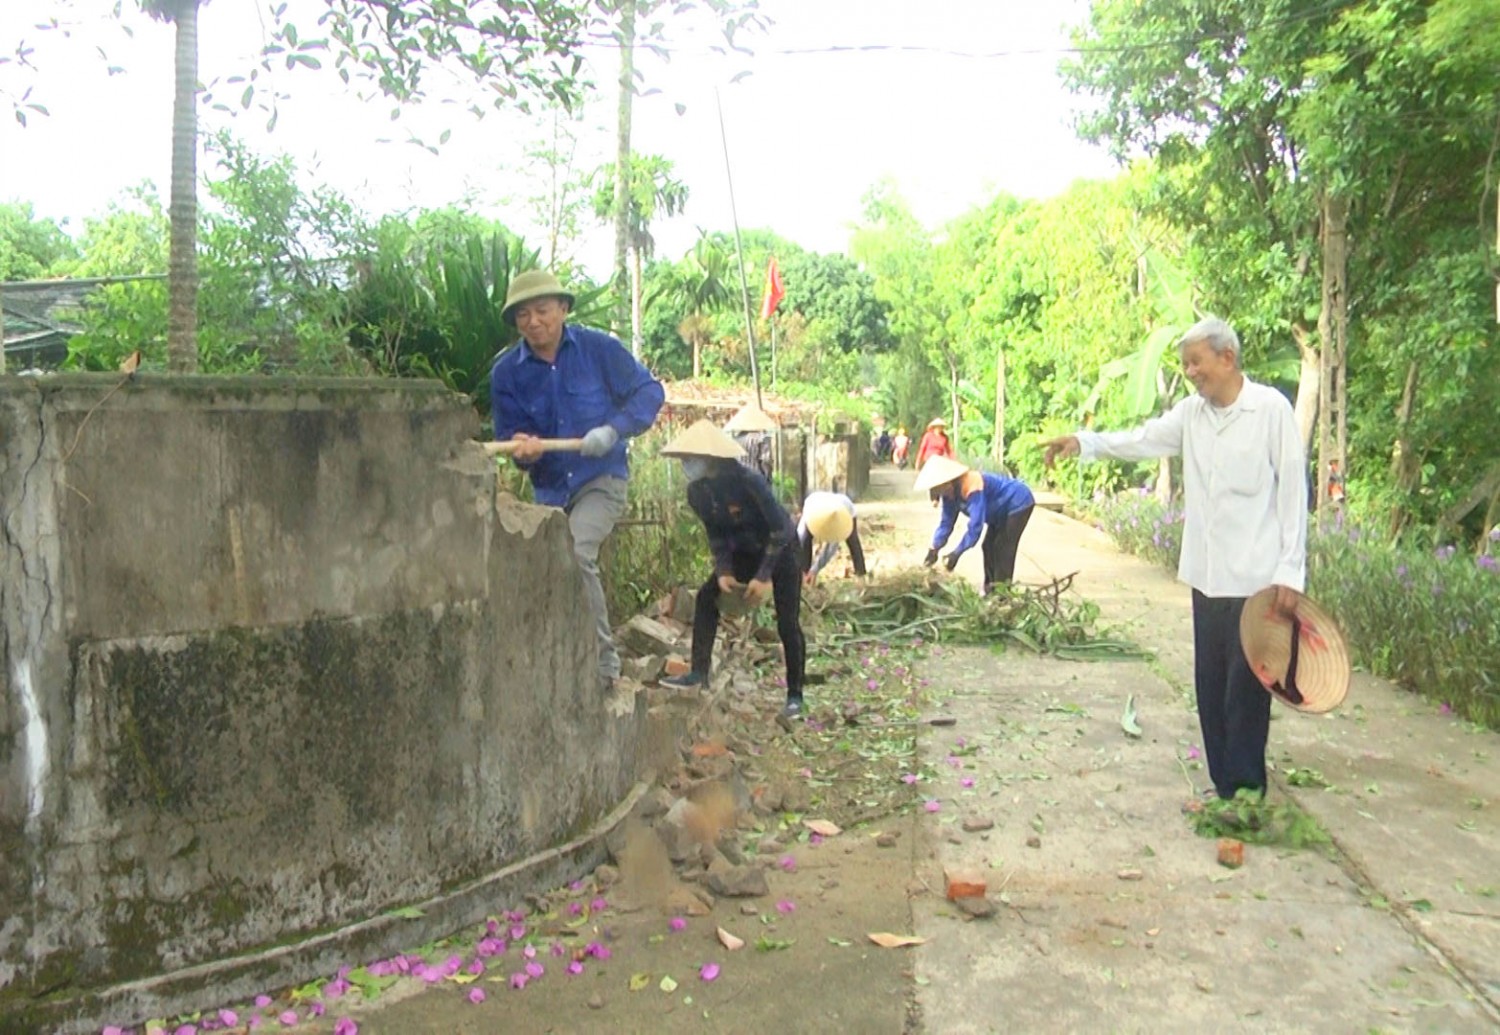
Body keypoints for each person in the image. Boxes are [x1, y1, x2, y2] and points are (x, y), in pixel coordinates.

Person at [1041, 317, 1307, 803]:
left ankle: (1249, 792)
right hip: (1207, 577)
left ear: (1227, 358)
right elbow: (1141, 439)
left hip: (1256, 580)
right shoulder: (1191, 414)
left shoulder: (1270, 410)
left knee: (1245, 690)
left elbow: (1292, 492)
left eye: (1196, 362)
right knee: (1209, 686)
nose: (1190, 372)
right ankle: (1223, 786)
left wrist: (1291, 571)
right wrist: (1085, 442)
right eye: (1185, 364)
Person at [490, 270, 666, 692]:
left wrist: (613, 429)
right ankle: (553, 664)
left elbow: (649, 392)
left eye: (542, 311)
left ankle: (605, 665)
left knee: (576, 551)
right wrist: (521, 449)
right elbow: (511, 439)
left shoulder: (599, 350)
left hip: (600, 479)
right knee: (545, 569)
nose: (533, 322)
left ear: (563, 309)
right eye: (523, 316)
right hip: (549, 490)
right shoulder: (505, 375)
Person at [658, 419, 807, 726]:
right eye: (685, 458)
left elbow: (779, 529)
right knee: (706, 598)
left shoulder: (748, 481)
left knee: (787, 623)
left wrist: (764, 575)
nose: (688, 464)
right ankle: (699, 673)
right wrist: (724, 569)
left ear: (711, 457)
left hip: (782, 549)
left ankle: (795, 696)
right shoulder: (697, 492)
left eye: (692, 457)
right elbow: (715, 532)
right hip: (742, 551)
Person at [916, 455, 1035, 592]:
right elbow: (946, 524)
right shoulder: (948, 495)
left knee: (1003, 547)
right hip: (998, 511)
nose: (940, 492)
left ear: (948, 481)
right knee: (988, 546)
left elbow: (975, 527)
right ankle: (990, 590)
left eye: (940, 488)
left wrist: (957, 553)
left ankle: (1002, 595)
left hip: (1018, 502)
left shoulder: (972, 485)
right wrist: (934, 548)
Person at [797, 490, 868, 586]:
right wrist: (802, 570)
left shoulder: (840, 518)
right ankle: (803, 576)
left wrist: (814, 570)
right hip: (817, 502)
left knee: (853, 541)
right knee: (805, 540)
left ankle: (861, 577)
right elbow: (800, 542)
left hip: (845, 509)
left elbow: (830, 549)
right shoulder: (809, 511)